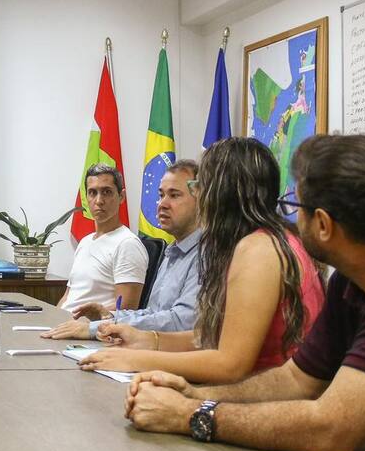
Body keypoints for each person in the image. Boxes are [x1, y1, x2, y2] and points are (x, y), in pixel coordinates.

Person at [125, 134, 365, 451]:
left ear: (323, 224)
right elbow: (298, 380)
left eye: (296, 205)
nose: (291, 217)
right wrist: (193, 394)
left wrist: (190, 415)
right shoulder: (353, 278)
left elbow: (333, 428)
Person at [78, 137, 324, 384]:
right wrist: (150, 340)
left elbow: (230, 365)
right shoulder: (267, 240)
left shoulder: (259, 250)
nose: (199, 194)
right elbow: (216, 337)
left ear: (222, 193)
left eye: (201, 185)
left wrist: (138, 359)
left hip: (266, 396)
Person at [43, 160, 201, 341]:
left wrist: (97, 327)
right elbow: (153, 313)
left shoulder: (207, 254)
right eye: (161, 195)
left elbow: (181, 322)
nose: (161, 204)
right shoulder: (173, 252)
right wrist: (111, 317)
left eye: (174, 195)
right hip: (149, 348)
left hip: (169, 357)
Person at [49, 163, 148, 322]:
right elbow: (68, 297)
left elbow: (126, 310)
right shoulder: (85, 242)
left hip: (91, 333)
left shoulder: (127, 244)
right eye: (92, 193)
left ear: (121, 197)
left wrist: (78, 323)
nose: (99, 200)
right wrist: (54, 319)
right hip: (65, 325)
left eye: (107, 192)